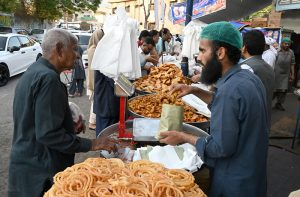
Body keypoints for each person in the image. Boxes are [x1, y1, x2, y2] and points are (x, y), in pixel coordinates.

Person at [160, 22, 268, 197]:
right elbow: (229, 106)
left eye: (203, 51)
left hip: (234, 183)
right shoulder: (248, 78)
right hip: (253, 178)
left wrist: (182, 136)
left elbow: (220, 148)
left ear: (220, 53)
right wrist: (195, 90)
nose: (199, 58)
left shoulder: (230, 90)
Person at [8, 29, 115, 197]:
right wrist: (93, 144)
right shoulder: (49, 79)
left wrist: (67, 123)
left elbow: (36, 119)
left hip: (25, 164)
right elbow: (48, 134)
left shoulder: (34, 71)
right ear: (59, 49)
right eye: (74, 49)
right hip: (40, 171)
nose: (78, 55)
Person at [241, 30, 275, 127]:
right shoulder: (268, 68)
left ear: (244, 48)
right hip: (264, 121)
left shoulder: (246, 68)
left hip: (250, 125)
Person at [86, 29, 104, 130]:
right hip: (94, 78)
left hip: (92, 78)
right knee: (95, 101)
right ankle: (92, 122)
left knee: (95, 100)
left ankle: (93, 121)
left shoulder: (91, 48)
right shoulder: (95, 49)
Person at [273, 37, 296, 111]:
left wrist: (292, 74)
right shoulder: (276, 51)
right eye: (285, 43)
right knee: (274, 90)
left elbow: (292, 63)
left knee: (283, 91)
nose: (287, 45)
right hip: (276, 74)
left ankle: (279, 104)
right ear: (281, 43)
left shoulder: (291, 52)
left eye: (288, 44)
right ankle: (267, 104)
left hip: (285, 75)